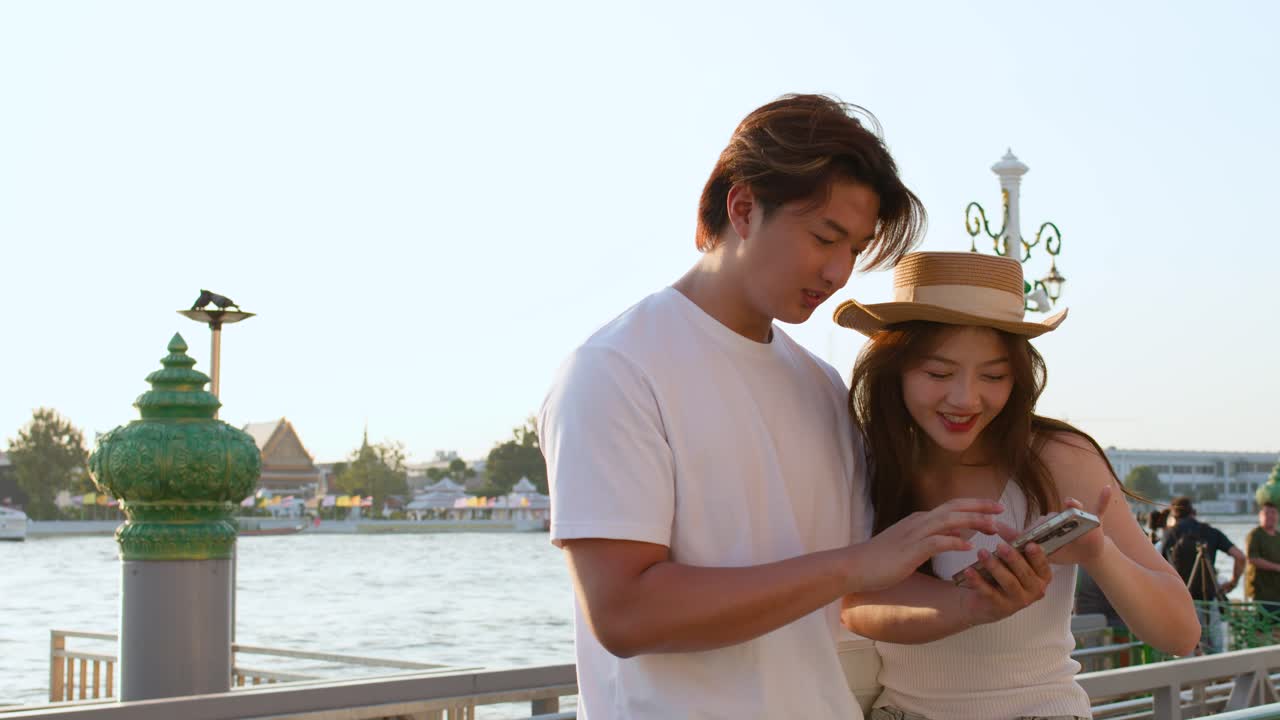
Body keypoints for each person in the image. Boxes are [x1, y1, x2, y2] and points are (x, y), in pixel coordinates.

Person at [539, 96, 1053, 720]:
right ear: (744, 207)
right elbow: (624, 614)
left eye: (857, 247)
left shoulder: (822, 387)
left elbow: (855, 593)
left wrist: (974, 604)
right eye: (824, 237)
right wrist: (852, 565)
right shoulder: (618, 370)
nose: (839, 271)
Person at [835, 251, 1200, 720]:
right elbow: (854, 606)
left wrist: (1099, 553)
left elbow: (1180, 632)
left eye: (994, 375)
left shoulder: (1056, 457)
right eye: (938, 373)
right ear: (895, 369)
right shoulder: (868, 458)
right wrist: (972, 603)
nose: (966, 398)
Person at [1245, 503, 1280, 609]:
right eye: (1266, 513)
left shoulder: (1278, 536)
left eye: (1273, 513)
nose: (1270, 516)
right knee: (1261, 623)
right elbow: (1252, 559)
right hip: (1261, 593)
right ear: (1260, 516)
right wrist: (1277, 567)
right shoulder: (1255, 535)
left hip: (1277, 593)